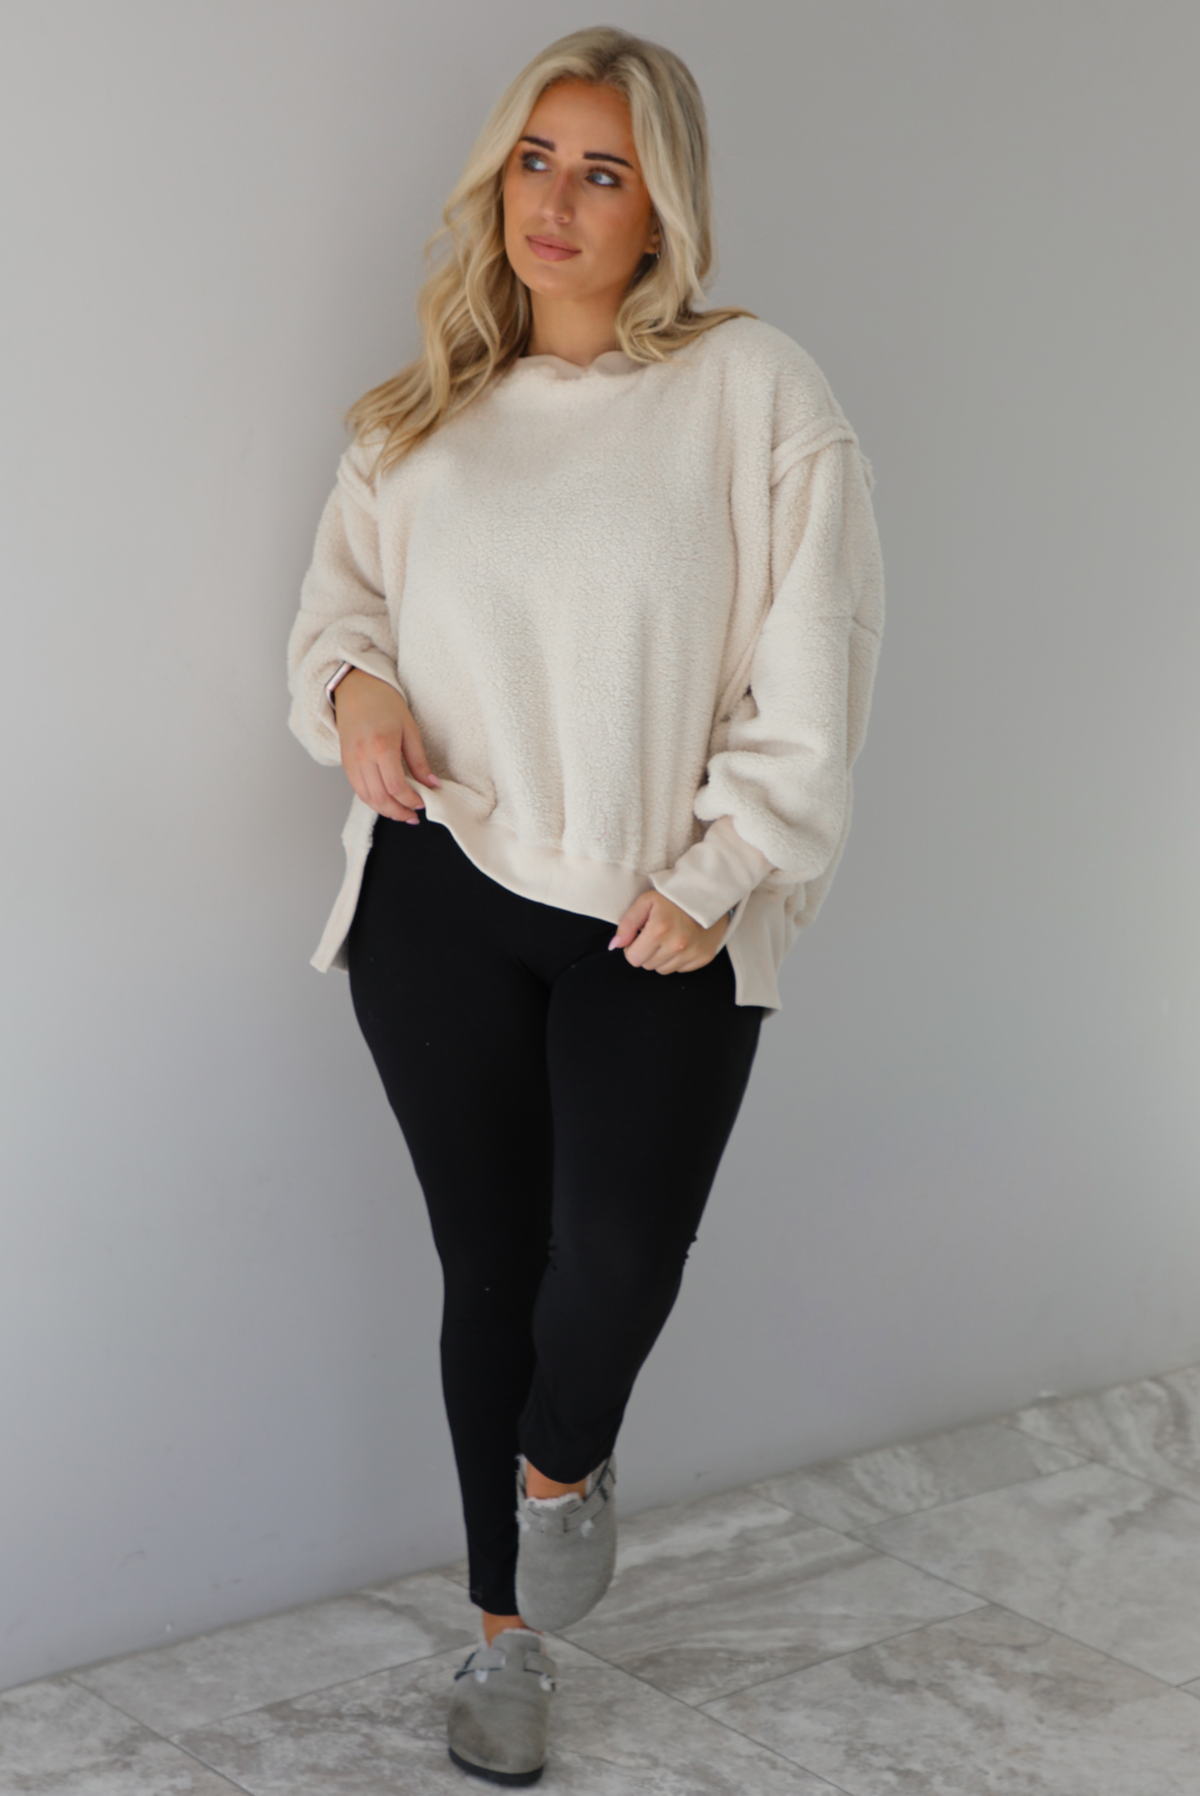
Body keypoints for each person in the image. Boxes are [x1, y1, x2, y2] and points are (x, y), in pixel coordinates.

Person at [286, 24, 884, 1787]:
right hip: (440, 892)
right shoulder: (418, 415)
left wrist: (721, 871)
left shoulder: (755, 391)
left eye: (603, 172)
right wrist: (354, 696)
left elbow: (818, 668)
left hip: (662, 907)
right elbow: (336, 620)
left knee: (615, 1260)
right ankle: (504, 1642)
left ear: (662, 209)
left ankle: (562, 1468)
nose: (556, 202)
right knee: (489, 1266)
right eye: (535, 162)